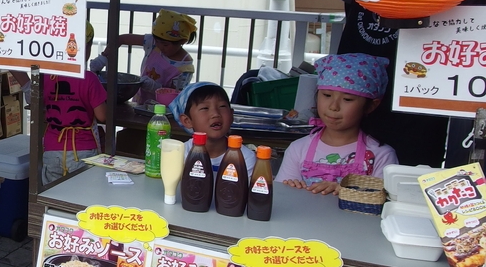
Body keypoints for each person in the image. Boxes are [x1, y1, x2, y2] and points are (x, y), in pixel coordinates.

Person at [277, 53, 398, 195]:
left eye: (347, 99)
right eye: (327, 95)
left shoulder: (381, 155)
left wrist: (346, 193)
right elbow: (282, 198)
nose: (334, 106)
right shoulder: (297, 149)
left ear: (371, 106)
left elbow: (385, 205)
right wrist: (291, 188)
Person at [39, 22, 108, 185]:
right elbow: (102, 116)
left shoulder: (46, 76)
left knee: (53, 195)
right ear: (87, 48)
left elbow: (41, 108)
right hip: (82, 150)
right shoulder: (90, 79)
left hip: (52, 148)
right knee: (81, 196)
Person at [90, 9, 197, 104]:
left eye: (165, 44)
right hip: (140, 102)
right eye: (158, 42)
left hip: (162, 111)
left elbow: (175, 95)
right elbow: (120, 39)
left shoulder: (185, 67)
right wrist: (103, 57)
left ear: (182, 41)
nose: (160, 46)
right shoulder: (152, 43)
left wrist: (155, 87)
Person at [169, 82, 255, 174]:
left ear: (231, 115)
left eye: (222, 106)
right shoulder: (180, 155)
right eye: (205, 108)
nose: (215, 114)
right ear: (187, 121)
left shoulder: (245, 159)